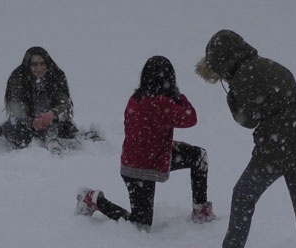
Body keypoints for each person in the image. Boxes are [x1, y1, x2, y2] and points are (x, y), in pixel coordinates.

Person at [195, 30, 296, 248]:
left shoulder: (245, 77)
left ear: (225, 60)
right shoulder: (271, 65)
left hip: (277, 145)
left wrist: (231, 98)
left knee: (243, 195)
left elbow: (246, 120)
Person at [75, 56, 216, 231]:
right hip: (142, 170)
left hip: (135, 162)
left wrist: (164, 145)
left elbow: (140, 129)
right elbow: (190, 117)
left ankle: (200, 210)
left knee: (197, 155)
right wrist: (179, 96)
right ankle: (93, 199)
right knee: (140, 226)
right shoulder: (164, 103)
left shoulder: (135, 98)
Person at [0, 46, 82, 155]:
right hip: (25, 120)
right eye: (34, 64)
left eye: (42, 64)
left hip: (52, 119)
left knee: (66, 130)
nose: (39, 68)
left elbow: (66, 105)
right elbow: (14, 108)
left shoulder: (57, 76)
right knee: (18, 135)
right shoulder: (17, 78)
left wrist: (52, 114)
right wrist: (32, 122)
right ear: (28, 65)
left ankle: (52, 142)